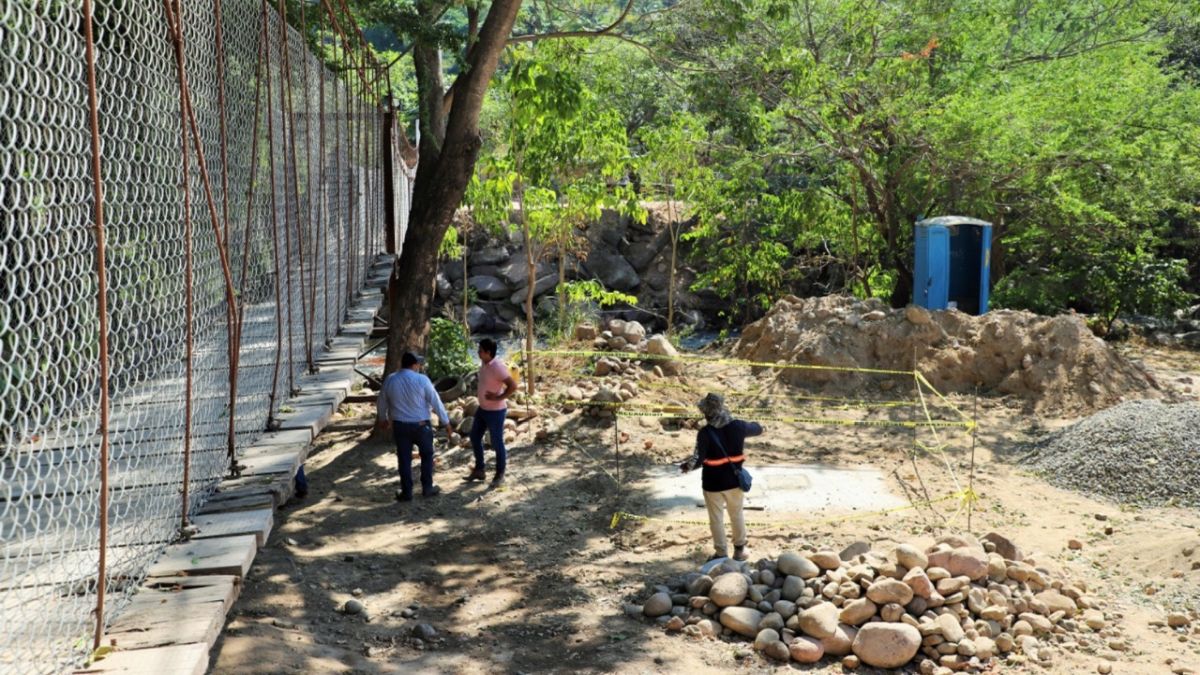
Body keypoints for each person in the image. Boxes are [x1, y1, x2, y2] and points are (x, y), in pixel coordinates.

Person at [680, 393, 762, 561]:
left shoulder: (705, 433)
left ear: (706, 413)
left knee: (716, 519)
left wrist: (685, 467)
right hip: (734, 481)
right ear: (722, 408)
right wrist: (759, 426)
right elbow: (758, 428)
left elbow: (697, 460)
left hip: (712, 484)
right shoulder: (739, 426)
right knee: (736, 515)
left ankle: (721, 553)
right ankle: (739, 550)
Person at [376, 352, 454, 502]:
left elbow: (381, 401)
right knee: (427, 456)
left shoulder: (390, 379)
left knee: (404, 459)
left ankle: (407, 492)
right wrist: (446, 423)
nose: (419, 365)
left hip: (400, 426)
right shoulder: (422, 380)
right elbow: (436, 402)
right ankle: (427, 487)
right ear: (414, 365)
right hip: (421, 425)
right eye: (418, 363)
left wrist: (382, 418)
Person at [464, 338, 517, 487]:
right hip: (483, 409)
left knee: (496, 442)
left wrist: (499, 397)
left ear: (488, 352)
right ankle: (479, 470)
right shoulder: (484, 362)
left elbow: (513, 386)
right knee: (475, 437)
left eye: (480, 351)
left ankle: (500, 474)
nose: (478, 353)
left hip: (496, 411)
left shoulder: (498, 366)